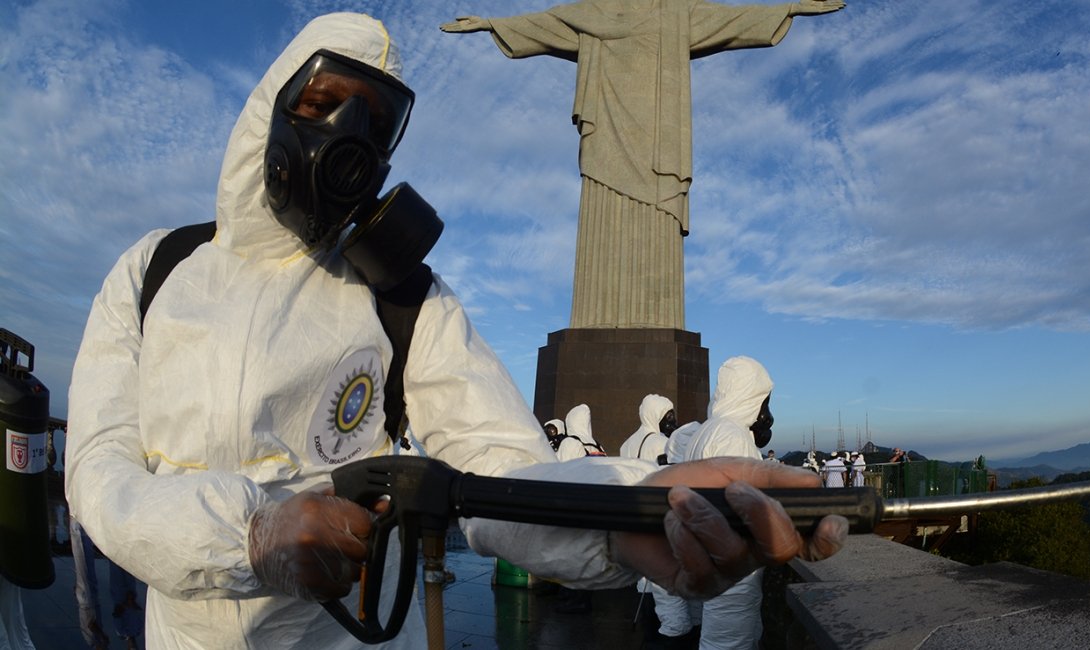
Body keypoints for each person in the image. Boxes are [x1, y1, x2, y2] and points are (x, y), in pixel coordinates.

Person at [63, 14, 847, 648]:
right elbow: (99, 470)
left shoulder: (401, 297)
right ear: (270, 111)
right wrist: (245, 534)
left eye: (376, 126)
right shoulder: (156, 272)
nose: (347, 138)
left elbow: (501, 467)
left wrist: (629, 520)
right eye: (322, 103)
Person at [441, 0, 846, 330]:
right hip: (606, 145)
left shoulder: (676, 14)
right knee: (603, 218)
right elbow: (546, 25)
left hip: (658, 147)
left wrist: (787, 9)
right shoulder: (592, 14)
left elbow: (731, 20)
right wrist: (490, 24)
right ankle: (594, 319)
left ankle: (655, 318)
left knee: (656, 225)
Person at [660, 356, 780, 649]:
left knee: (723, 633)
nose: (767, 413)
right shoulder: (732, 434)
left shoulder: (710, 429)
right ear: (750, 396)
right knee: (728, 638)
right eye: (764, 401)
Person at [71, 519, 144, 650]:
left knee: (83, 562)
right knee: (120, 561)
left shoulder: (94, 641)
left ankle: (77, 524)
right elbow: (138, 610)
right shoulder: (135, 630)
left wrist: (102, 635)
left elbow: (92, 624)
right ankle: (114, 528)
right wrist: (130, 603)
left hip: (86, 600)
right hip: (119, 594)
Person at [618, 394, 676, 463]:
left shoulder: (626, 445)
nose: (674, 420)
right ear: (655, 416)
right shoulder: (664, 444)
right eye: (669, 416)